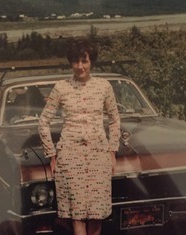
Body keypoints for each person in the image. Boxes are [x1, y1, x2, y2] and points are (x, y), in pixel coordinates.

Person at [38, 38, 120, 235]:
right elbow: (43, 122)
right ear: (70, 62)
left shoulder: (104, 86)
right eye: (75, 61)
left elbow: (115, 119)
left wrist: (112, 151)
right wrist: (52, 155)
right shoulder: (61, 87)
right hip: (70, 157)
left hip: (98, 156)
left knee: (96, 215)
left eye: (84, 61)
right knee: (77, 215)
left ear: (92, 62)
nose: (80, 66)